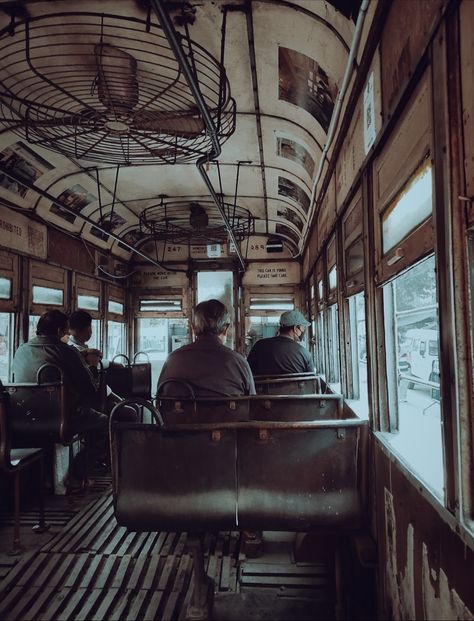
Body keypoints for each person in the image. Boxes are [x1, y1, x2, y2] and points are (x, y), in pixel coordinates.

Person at [12, 309, 107, 431]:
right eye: (66, 330)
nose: (68, 333)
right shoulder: (67, 351)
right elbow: (90, 389)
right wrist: (93, 365)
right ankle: (95, 450)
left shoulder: (21, 350)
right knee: (105, 421)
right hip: (61, 417)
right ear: (59, 331)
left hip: (24, 416)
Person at [158, 299, 255, 397]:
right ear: (226, 329)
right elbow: (253, 404)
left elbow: (160, 399)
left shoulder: (172, 360)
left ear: (193, 329)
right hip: (224, 413)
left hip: (182, 413)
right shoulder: (239, 362)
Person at [247, 309, 314, 376]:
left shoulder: (259, 345)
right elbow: (311, 381)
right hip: (293, 386)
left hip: (262, 386)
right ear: (295, 328)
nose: (303, 331)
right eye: (302, 328)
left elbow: (247, 372)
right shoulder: (305, 354)